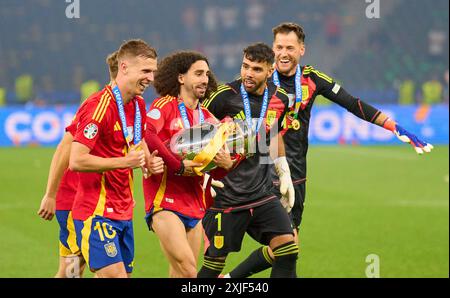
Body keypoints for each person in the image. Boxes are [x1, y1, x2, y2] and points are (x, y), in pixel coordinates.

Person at [223, 22, 434, 278]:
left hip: (295, 175)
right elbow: (220, 106)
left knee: (287, 249)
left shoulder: (312, 79)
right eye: (278, 47)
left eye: (290, 47)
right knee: (287, 248)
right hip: (261, 172)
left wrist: (392, 125)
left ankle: (227, 279)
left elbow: (352, 103)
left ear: (302, 49)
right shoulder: (256, 78)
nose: (283, 53)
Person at [199, 42, 298, 278]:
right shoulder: (223, 96)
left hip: (262, 192)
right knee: (214, 264)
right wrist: (205, 172)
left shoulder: (280, 98)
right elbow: (196, 133)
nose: (248, 74)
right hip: (226, 195)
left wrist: (283, 171)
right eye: (245, 66)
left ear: (270, 71)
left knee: (287, 249)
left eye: (256, 69)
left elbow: (273, 132)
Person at [69, 39, 164, 278]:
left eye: (153, 71)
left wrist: (147, 161)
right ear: (124, 67)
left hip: (124, 212)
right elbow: (76, 160)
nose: (151, 78)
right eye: (145, 71)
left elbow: (137, 144)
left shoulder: (139, 104)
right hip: (97, 212)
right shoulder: (99, 106)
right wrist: (125, 162)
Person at [143, 51, 236, 278]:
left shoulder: (207, 118)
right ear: (181, 78)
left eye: (206, 74)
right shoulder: (165, 104)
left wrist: (228, 163)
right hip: (165, 201)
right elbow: (149, 133)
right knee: (189, 272)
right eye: (198, 73)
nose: (204, 79)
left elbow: (217, 168)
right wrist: (177, 165)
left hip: (195, 204)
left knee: (179, 275)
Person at [37, 50, 120, 278]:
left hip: (100, 201)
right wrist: (51, 194)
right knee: (76, 270)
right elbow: (66, 146)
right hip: (77, 201)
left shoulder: (127, 107)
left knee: (74, 270)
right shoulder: (98, 106)